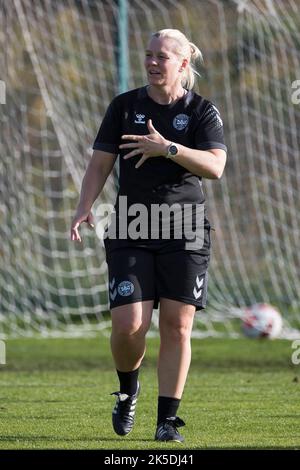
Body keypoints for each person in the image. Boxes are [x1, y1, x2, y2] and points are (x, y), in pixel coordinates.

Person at [71, 28, 227, 443]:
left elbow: (215, 167)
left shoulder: (201, 112)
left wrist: (169, 148)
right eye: (149, 55)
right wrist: (84, 206)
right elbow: (100, 162)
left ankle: (167, 422)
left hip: (185, 228)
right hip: (132, 223)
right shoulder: (125, 107)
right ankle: (127, 391)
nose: (153, 62)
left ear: (182, 64)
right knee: (128, 323)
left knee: (177, 326)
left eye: (162, 56)